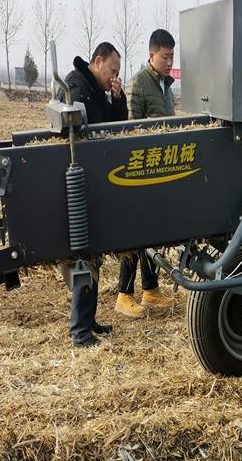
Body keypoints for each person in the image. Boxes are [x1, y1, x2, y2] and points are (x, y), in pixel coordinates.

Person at [61, 42, 128, 347]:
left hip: (93, 179)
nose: (113, 76)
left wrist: (117, 98)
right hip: (77, 180)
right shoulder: (76, 86)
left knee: (93, 255)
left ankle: (89, 321)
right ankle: (80, 331)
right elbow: (77, 132)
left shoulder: (97, 91)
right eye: (112, 70)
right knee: (83, 257)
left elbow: (113, 126)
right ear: (98, 61)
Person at [114, 29, 177, 318]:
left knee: (152, 229)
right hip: (141, 168)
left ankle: (150, 290)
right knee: (135, 231)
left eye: (172, 56)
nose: (169, 61)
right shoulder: (137, 85)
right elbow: (131, 129)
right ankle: (124, 294)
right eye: (165, 56)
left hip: (163, 167)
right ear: (151, 55)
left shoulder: (167, 86)